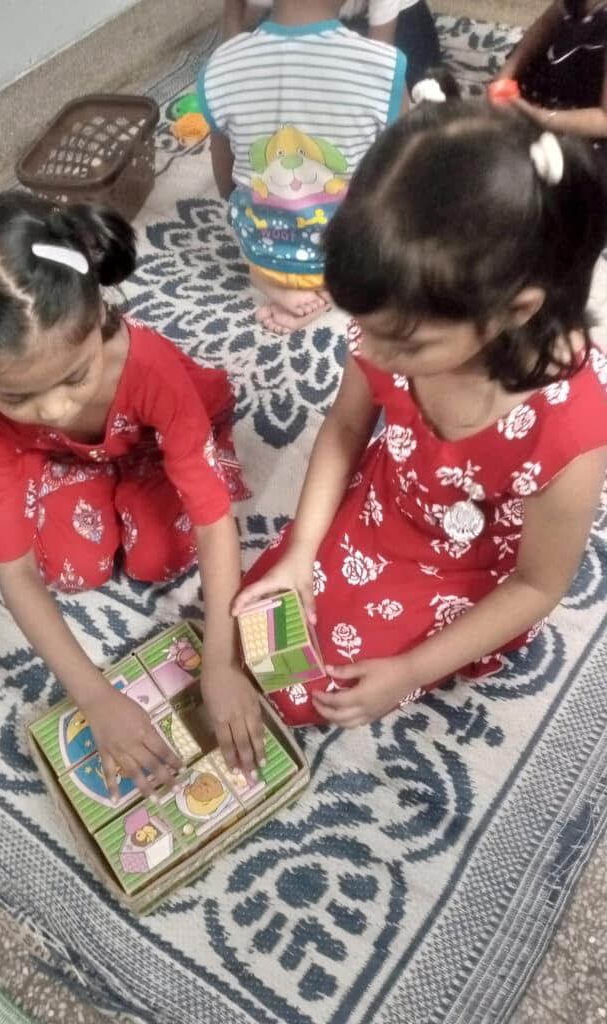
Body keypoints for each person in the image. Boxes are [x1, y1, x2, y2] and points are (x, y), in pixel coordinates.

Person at [0, 192, 265, 792]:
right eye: (17, 396)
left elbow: (213, 522)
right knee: (70, 566)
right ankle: (90, 470)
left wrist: (224, 661)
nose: (53, 406)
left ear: (101, 314)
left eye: (76, 374)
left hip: (151, 445)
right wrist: (95, 698)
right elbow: (17, 572)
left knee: (162, 554)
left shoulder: (149, 369)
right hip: (62, 458)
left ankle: (116, 474)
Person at [233, 99, 607, 728]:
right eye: (362, 327)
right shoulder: (395, 327)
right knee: (260, 618)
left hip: (475, 565)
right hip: (389, 502)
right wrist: (301, 551)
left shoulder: (569, 429)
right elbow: (347, 426)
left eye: (405, 344)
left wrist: (411, 671)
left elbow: (537, 587)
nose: (372, 353)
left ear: (514, 311)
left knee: (311, 691)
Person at [201, 0, 408, 334]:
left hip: (260, 242)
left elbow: (224, 176)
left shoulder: (224, 62)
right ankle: (327, 289)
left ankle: (268, 278)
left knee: (250, 195)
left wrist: (237, 202)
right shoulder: (382, 65)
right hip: (342, 253)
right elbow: (404, 170)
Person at [497, 0, 607, 180]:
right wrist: (506, 73)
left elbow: (604, 120)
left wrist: (544, 119)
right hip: (557, 84)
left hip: (590, 119)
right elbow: (545, 25)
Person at [222, 0, 440, 86]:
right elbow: (232, 18)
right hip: (310, 13)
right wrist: (233, 66)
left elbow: (381, 55)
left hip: (393, 17)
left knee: (418, 86)